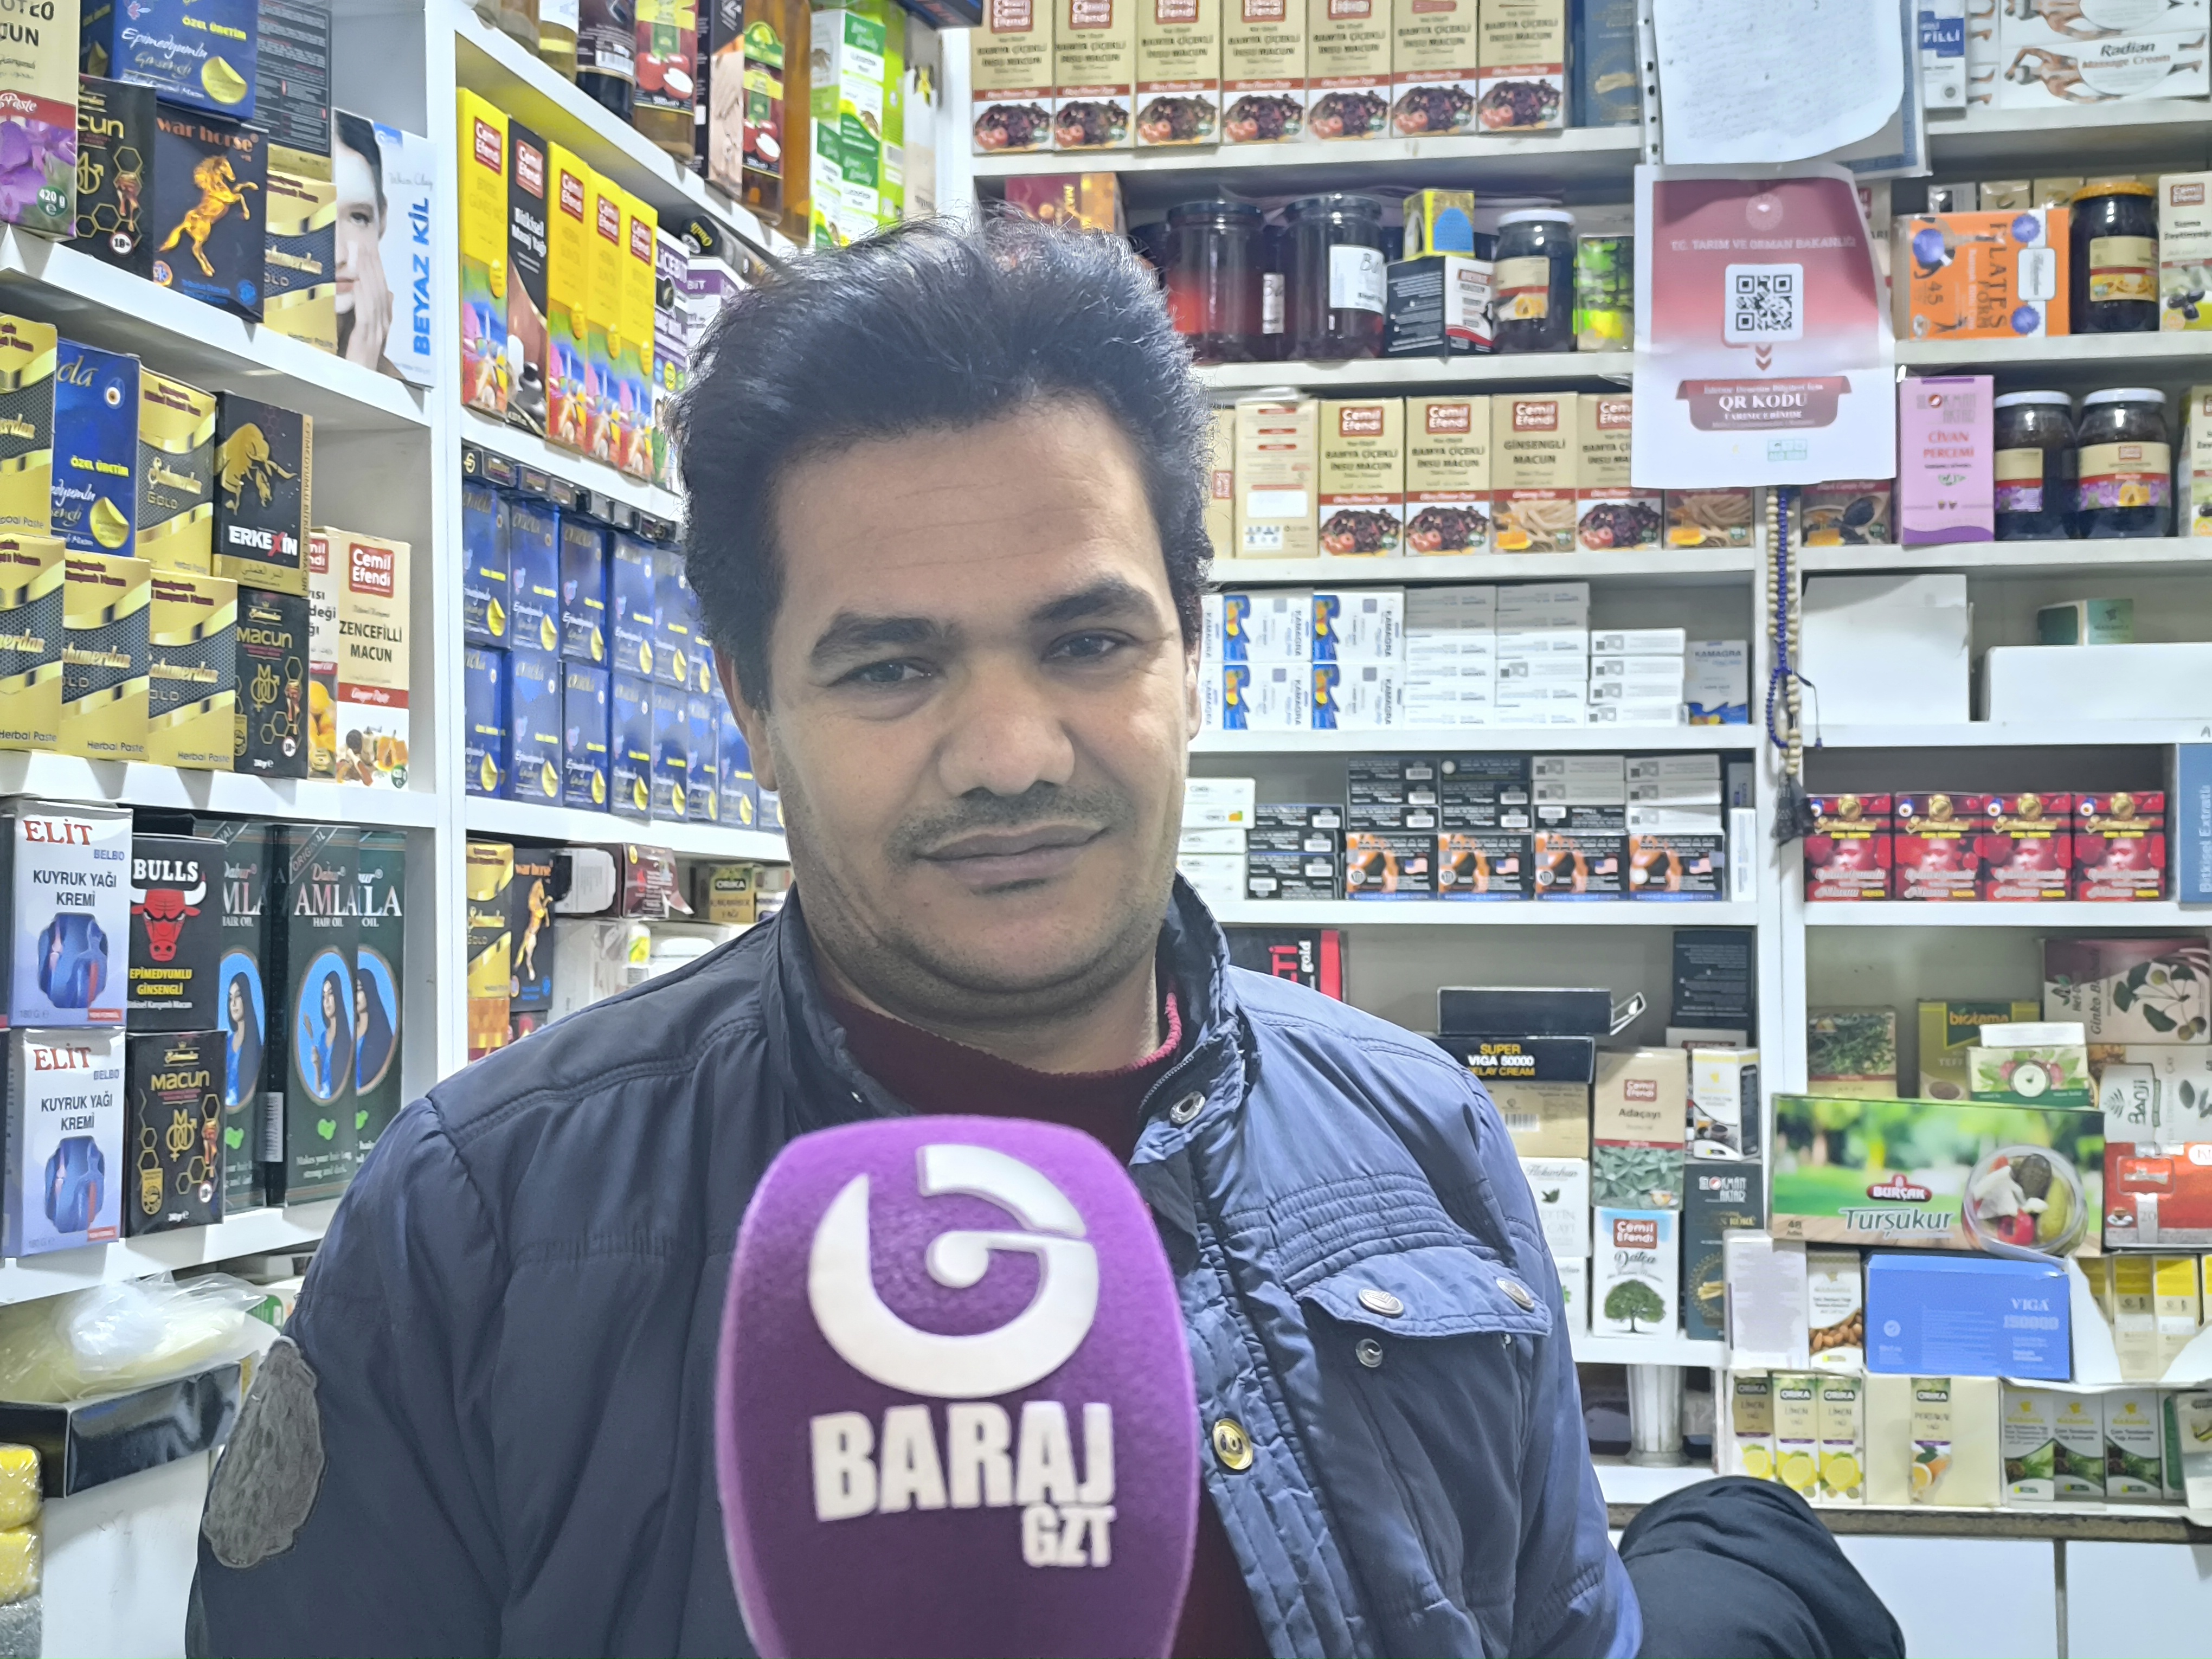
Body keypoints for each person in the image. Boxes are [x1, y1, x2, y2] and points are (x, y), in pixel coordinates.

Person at [189, 217, 1899, 1659]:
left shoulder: (1426, 1141)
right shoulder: (483, 1222)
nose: (1010, 752)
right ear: (751, 708)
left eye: (1086, 644)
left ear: (1192, 657)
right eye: (891, 667)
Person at [332, 113, 397, 378]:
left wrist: (364, 376)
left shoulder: (401, 387)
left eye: (359, 218)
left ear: (382, 220)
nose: (339, 255)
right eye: (315, 214)